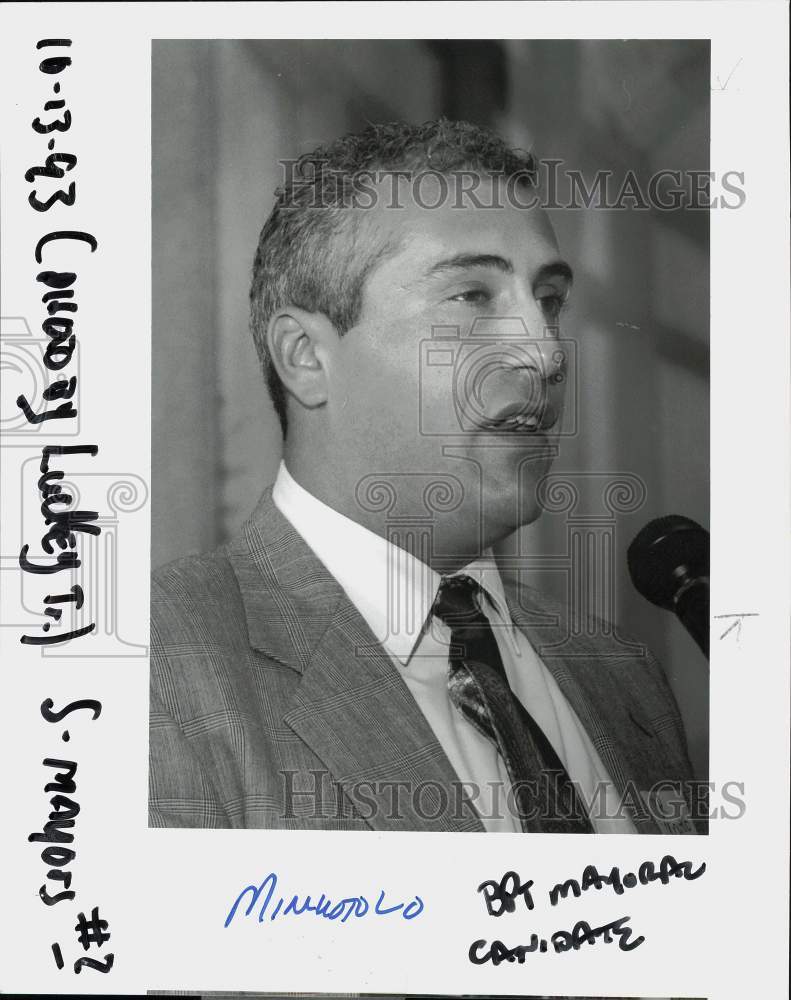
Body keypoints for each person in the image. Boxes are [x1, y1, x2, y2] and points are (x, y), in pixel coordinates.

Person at [149, 119, 701, 833]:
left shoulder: (620, 671)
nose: (544, 353)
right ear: (306, 357)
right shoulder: (153, 669)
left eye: (550, 302)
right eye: (472, 297)